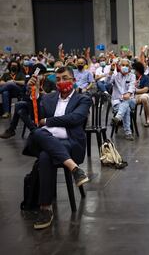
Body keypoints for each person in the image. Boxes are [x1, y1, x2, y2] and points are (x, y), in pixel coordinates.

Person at [23, 66, 91, 229]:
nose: (61, 82)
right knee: (38, 135)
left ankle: (45, 209)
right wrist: (33, 92)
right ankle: (74, 169)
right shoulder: (49, 98)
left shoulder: (83, 99)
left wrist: (49, 121)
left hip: (71, 143)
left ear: (73, 80)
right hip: (49, 139)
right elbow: (36, 116)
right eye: (58, 79)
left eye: (65, 78)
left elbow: (75, 118)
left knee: (45, 150)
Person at [106, 58, 136, 141]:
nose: (124, 67)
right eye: (123, 65)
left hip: (130, 100)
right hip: (117, 102)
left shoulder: (132, 76)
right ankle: (128, 133)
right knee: (126, 109)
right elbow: (107, 82)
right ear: (119, 66)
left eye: (127, 65)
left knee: (127, 101)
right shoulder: (115, 76)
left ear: (130, 67)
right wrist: (111, 70)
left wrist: (129, 93)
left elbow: (132, 86)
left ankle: (118, 117)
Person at [133, 61, 149, 127]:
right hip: (133, 96)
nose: (132, 70)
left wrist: (135, 91)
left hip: (144, 95)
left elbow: (145, 89)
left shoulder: (145, 77)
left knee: (144, 97)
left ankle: (148, 118)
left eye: (134, 69)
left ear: (137, 70)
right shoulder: (132, 77)